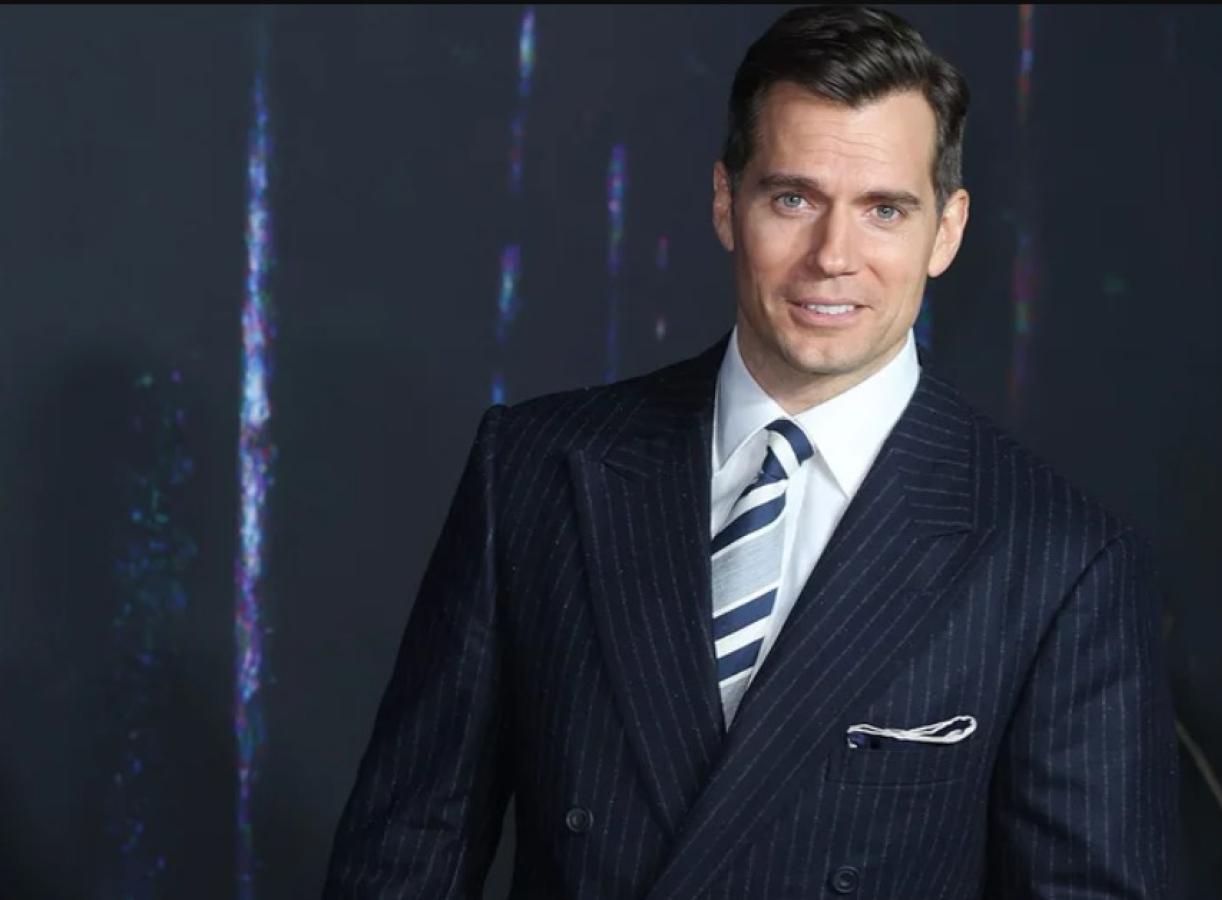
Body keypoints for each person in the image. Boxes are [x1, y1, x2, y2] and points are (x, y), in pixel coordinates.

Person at [322, 5, 1177, 898]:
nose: (832, 256)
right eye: (793, 199)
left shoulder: (1059, 559)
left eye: (884, 209)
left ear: (947, 230)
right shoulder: (536, 468)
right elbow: (407, 851)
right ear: (726, 202)